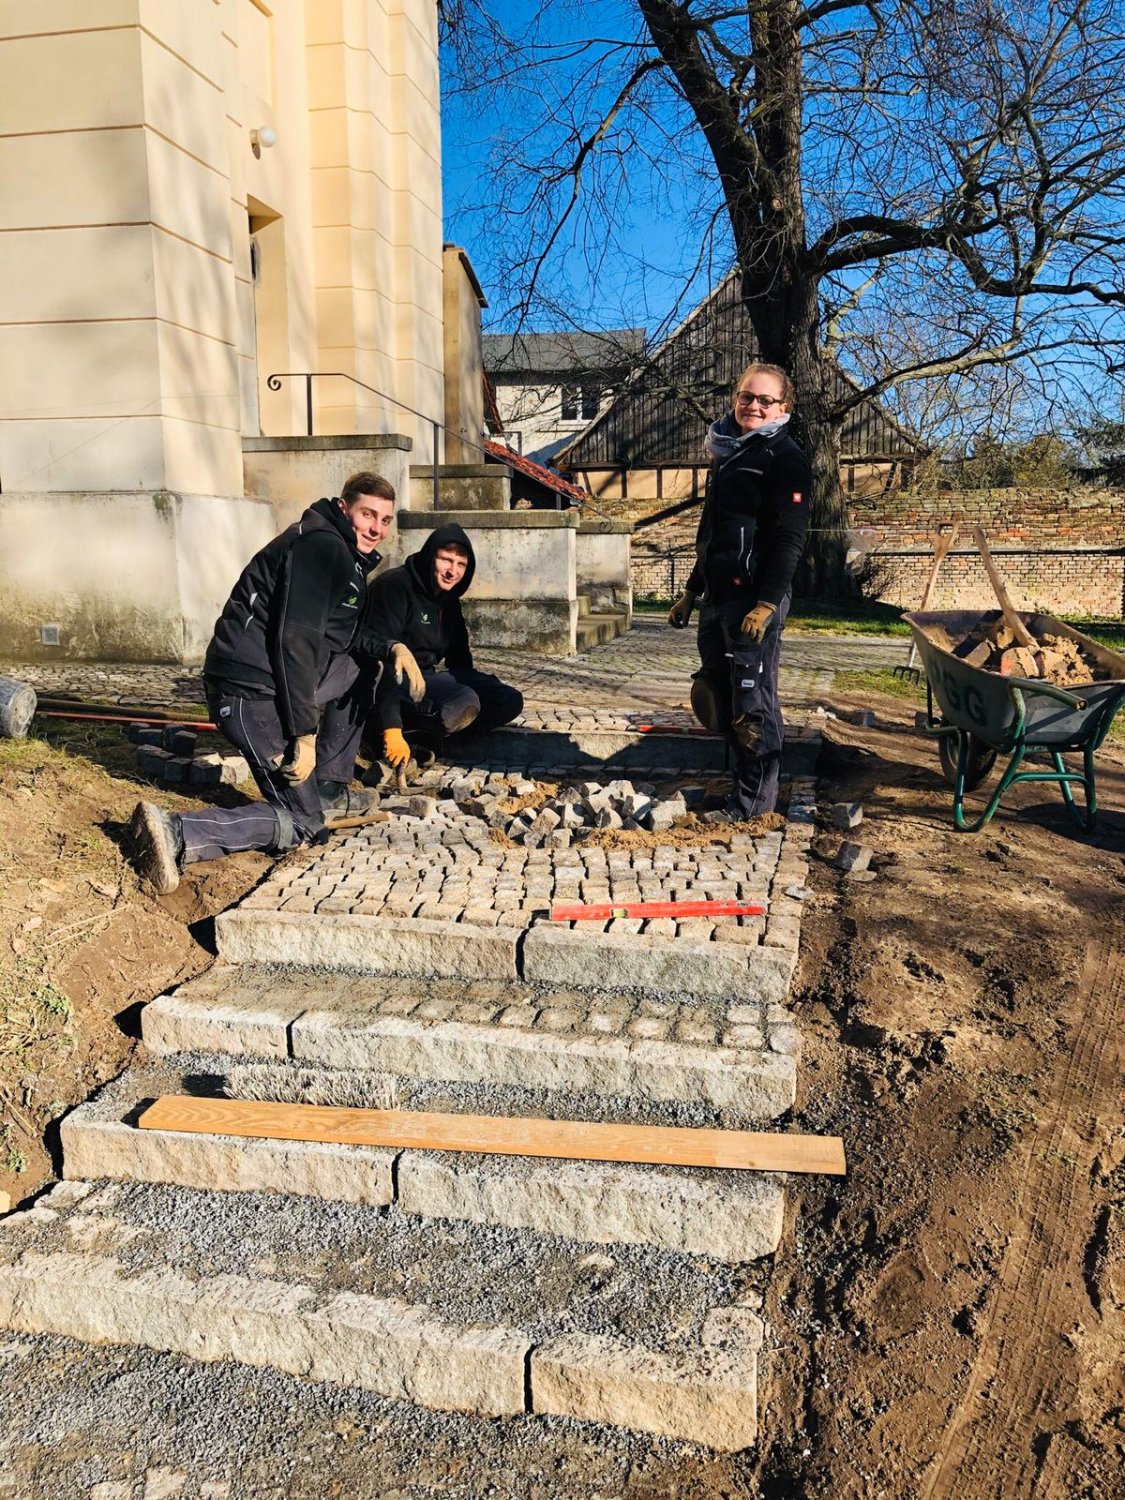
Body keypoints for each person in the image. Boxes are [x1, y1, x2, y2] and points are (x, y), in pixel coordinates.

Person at [128, 471, 425, 893]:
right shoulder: (321, 548)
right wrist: (304, 733)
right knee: (306, 826)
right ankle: (177, 832)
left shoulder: (342, 552)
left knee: (364, 669)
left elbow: (340, 636)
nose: (377, 528)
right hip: (247, 692)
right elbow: (296, 641)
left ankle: (328, 785)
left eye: (385, 519)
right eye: (367, 515)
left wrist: (390, 646)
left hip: (271, 684)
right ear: (344, 509)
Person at [668, 362, 812, 819]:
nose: (753, 405)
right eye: (746, 397)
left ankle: (754, 806)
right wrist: (691, 591)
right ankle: (739, 790)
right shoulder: (728, 453)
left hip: (754, 599)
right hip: (719, 596)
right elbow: (714, 532)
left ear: (781, 408)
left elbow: (789, 538)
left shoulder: (784, 458)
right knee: (718, 695)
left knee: (753, 703)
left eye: (764, 400)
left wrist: (768, 603)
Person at [365, 522, 523, 775]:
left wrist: (473, 683)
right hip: (387, 682)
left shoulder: (448, 599)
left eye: (461, 565)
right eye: (446, 560)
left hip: (427, 679)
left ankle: (429, 736)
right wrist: (390, 726)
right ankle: (388, 731)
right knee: (462, 703)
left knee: (508, 700)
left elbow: (460, 658)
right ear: (430, 557)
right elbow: (378, 658)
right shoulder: (394, 586)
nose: (453, 571)